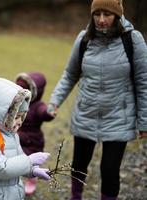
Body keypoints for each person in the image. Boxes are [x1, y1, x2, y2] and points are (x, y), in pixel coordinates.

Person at [47, 0, 147, 199]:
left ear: (118, 15)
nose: (101, 20)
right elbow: (70, 74)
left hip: (119, 116)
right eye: (97, 14)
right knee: (79, 165)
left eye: (107, 14)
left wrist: (144, 121)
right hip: (87, 112)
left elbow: (143, 82)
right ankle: (76, 196)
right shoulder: (84, 39)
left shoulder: (132, 40)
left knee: (109, 170)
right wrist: (54, 101)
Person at [0, 77, 51, 200]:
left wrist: (33, 170)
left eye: (22, 116)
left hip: (11, 193)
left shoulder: (10, 134)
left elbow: (18, 161)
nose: (19, 122)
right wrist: (29, 161)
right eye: (16, 116)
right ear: (0, 114)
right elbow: (1, 168)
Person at [15, 72, 55, 196]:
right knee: (17, 160)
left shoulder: (38, 106)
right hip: (18, 137)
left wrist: (49, 113)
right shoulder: (18, 102)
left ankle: (31, 180)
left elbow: (43, 113)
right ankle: (16, 179)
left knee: (32, 162)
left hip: (33, 140)